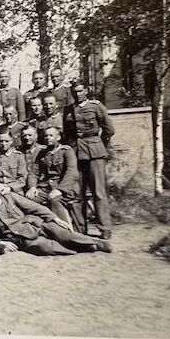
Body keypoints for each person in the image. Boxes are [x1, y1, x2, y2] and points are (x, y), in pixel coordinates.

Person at [0, 179, 111, 255]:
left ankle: (96, 244)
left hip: (36, 225)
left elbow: (35, 207)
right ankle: (85, 248)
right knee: (46, 247)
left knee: (64, 234)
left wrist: (55, 218)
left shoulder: (10, 197)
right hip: (20, 238)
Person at [70, 81, 116, 239]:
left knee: (98, 192)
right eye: (74, 91)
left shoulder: (96, 106)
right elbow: (68, 134)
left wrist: (98, 144)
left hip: (94, 152)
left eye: (80, 91)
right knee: (78, 193)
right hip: (76, 153)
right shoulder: (69, 109)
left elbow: (109, 129)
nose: (77, 94)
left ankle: (104, 228)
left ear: (86, 91)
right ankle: (80, 228)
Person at [26, 126, 83, 230]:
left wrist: (60, 190)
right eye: (46, 136)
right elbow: (34, 172)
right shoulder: (42, 153)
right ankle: (40, 230)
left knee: (54, 199)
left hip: (67, 187)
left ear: (58, 137)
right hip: (47, 187)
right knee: (29, 200)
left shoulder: (66, 151)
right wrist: (32, 187)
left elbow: (72, 172)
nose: (48, 138)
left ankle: (66, 231)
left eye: (51, 135)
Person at [0, 128, 28, 194]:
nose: (3, 144)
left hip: (14, 189)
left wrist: (9, 187)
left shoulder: (19, 156)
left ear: (11, 141)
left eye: (6, 141)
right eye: (1, 141)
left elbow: (22, 178)